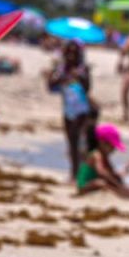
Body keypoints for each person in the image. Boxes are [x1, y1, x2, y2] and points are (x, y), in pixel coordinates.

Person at [47, 41, 93, 180]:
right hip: (67, 109)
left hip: (82, 110)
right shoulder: (61, 69)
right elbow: (50, 86)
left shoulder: (82, 69)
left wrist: (79, 77)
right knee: (71, 142)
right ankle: (74, 173)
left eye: (74, 53)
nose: (71, 56)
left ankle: (82, 173)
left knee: (81, 142)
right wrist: (56, 75)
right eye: (69, 52)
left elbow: (87, 88)